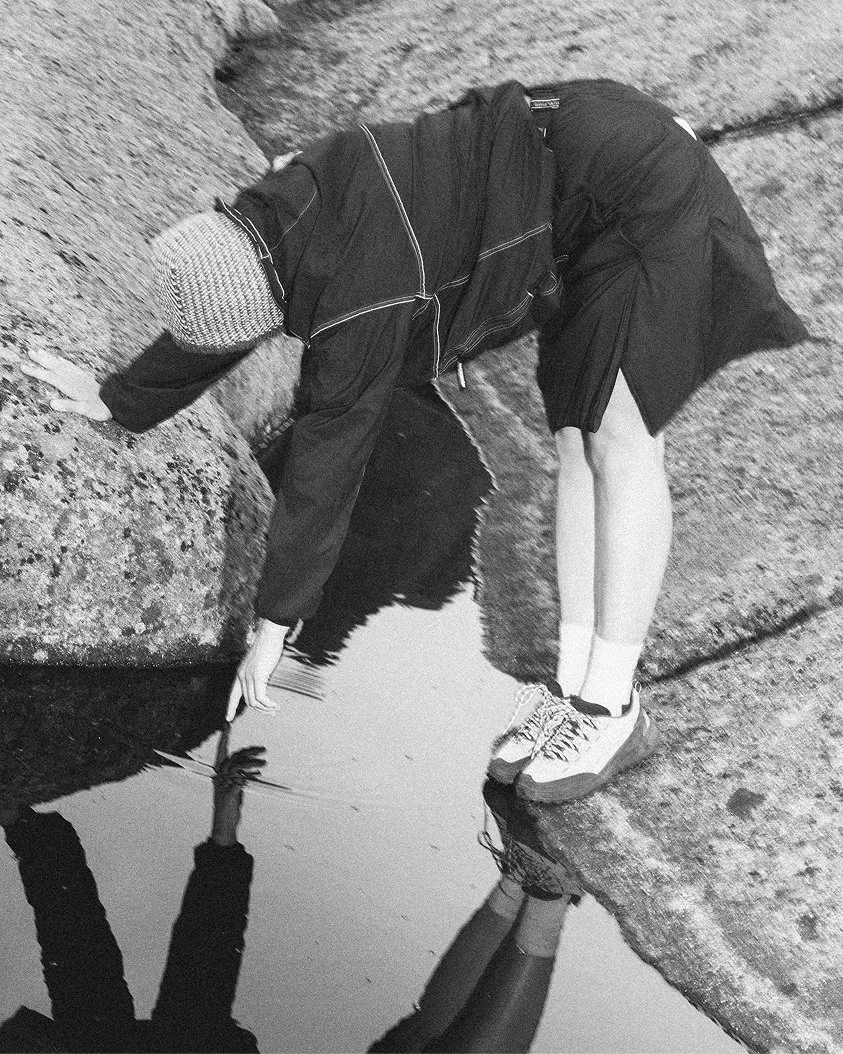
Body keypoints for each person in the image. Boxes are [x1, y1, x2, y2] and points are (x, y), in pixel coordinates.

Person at [22, 80, 808, 802]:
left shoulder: (357, 303)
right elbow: (228, 305)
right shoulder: (279, 202)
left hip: (640, 189)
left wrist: (271, 627)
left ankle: (611, 706)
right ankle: (573, 688)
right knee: (574, 440)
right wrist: (120, 398)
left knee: (620, 443)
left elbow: (325, 470)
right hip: (575, 164)